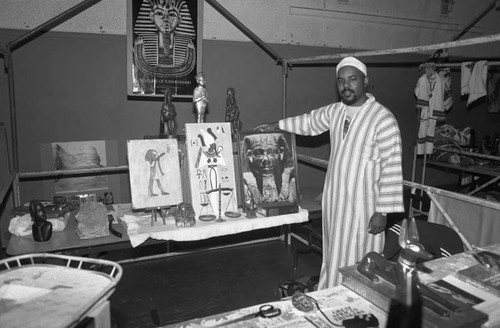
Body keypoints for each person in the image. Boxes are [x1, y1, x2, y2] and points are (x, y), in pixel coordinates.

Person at [255, 56, 404, 288]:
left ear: (366, 81)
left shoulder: (383, 119)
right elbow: (308, 122)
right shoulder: (335, 111)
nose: (346, 85)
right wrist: (276, 125)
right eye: (341, 80)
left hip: (365, 207)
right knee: (333, 252)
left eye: (352, 79)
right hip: (335, 201)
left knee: (361, 257)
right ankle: (329, 295)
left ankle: (357, 301)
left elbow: (392, 167)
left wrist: (383, 212)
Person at [241, 133, 297, 204]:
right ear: (250, 155)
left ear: (281, 153)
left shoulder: (290, 179)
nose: (265, 159)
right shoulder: (246, 182)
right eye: (259, 153)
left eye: (271, 152)